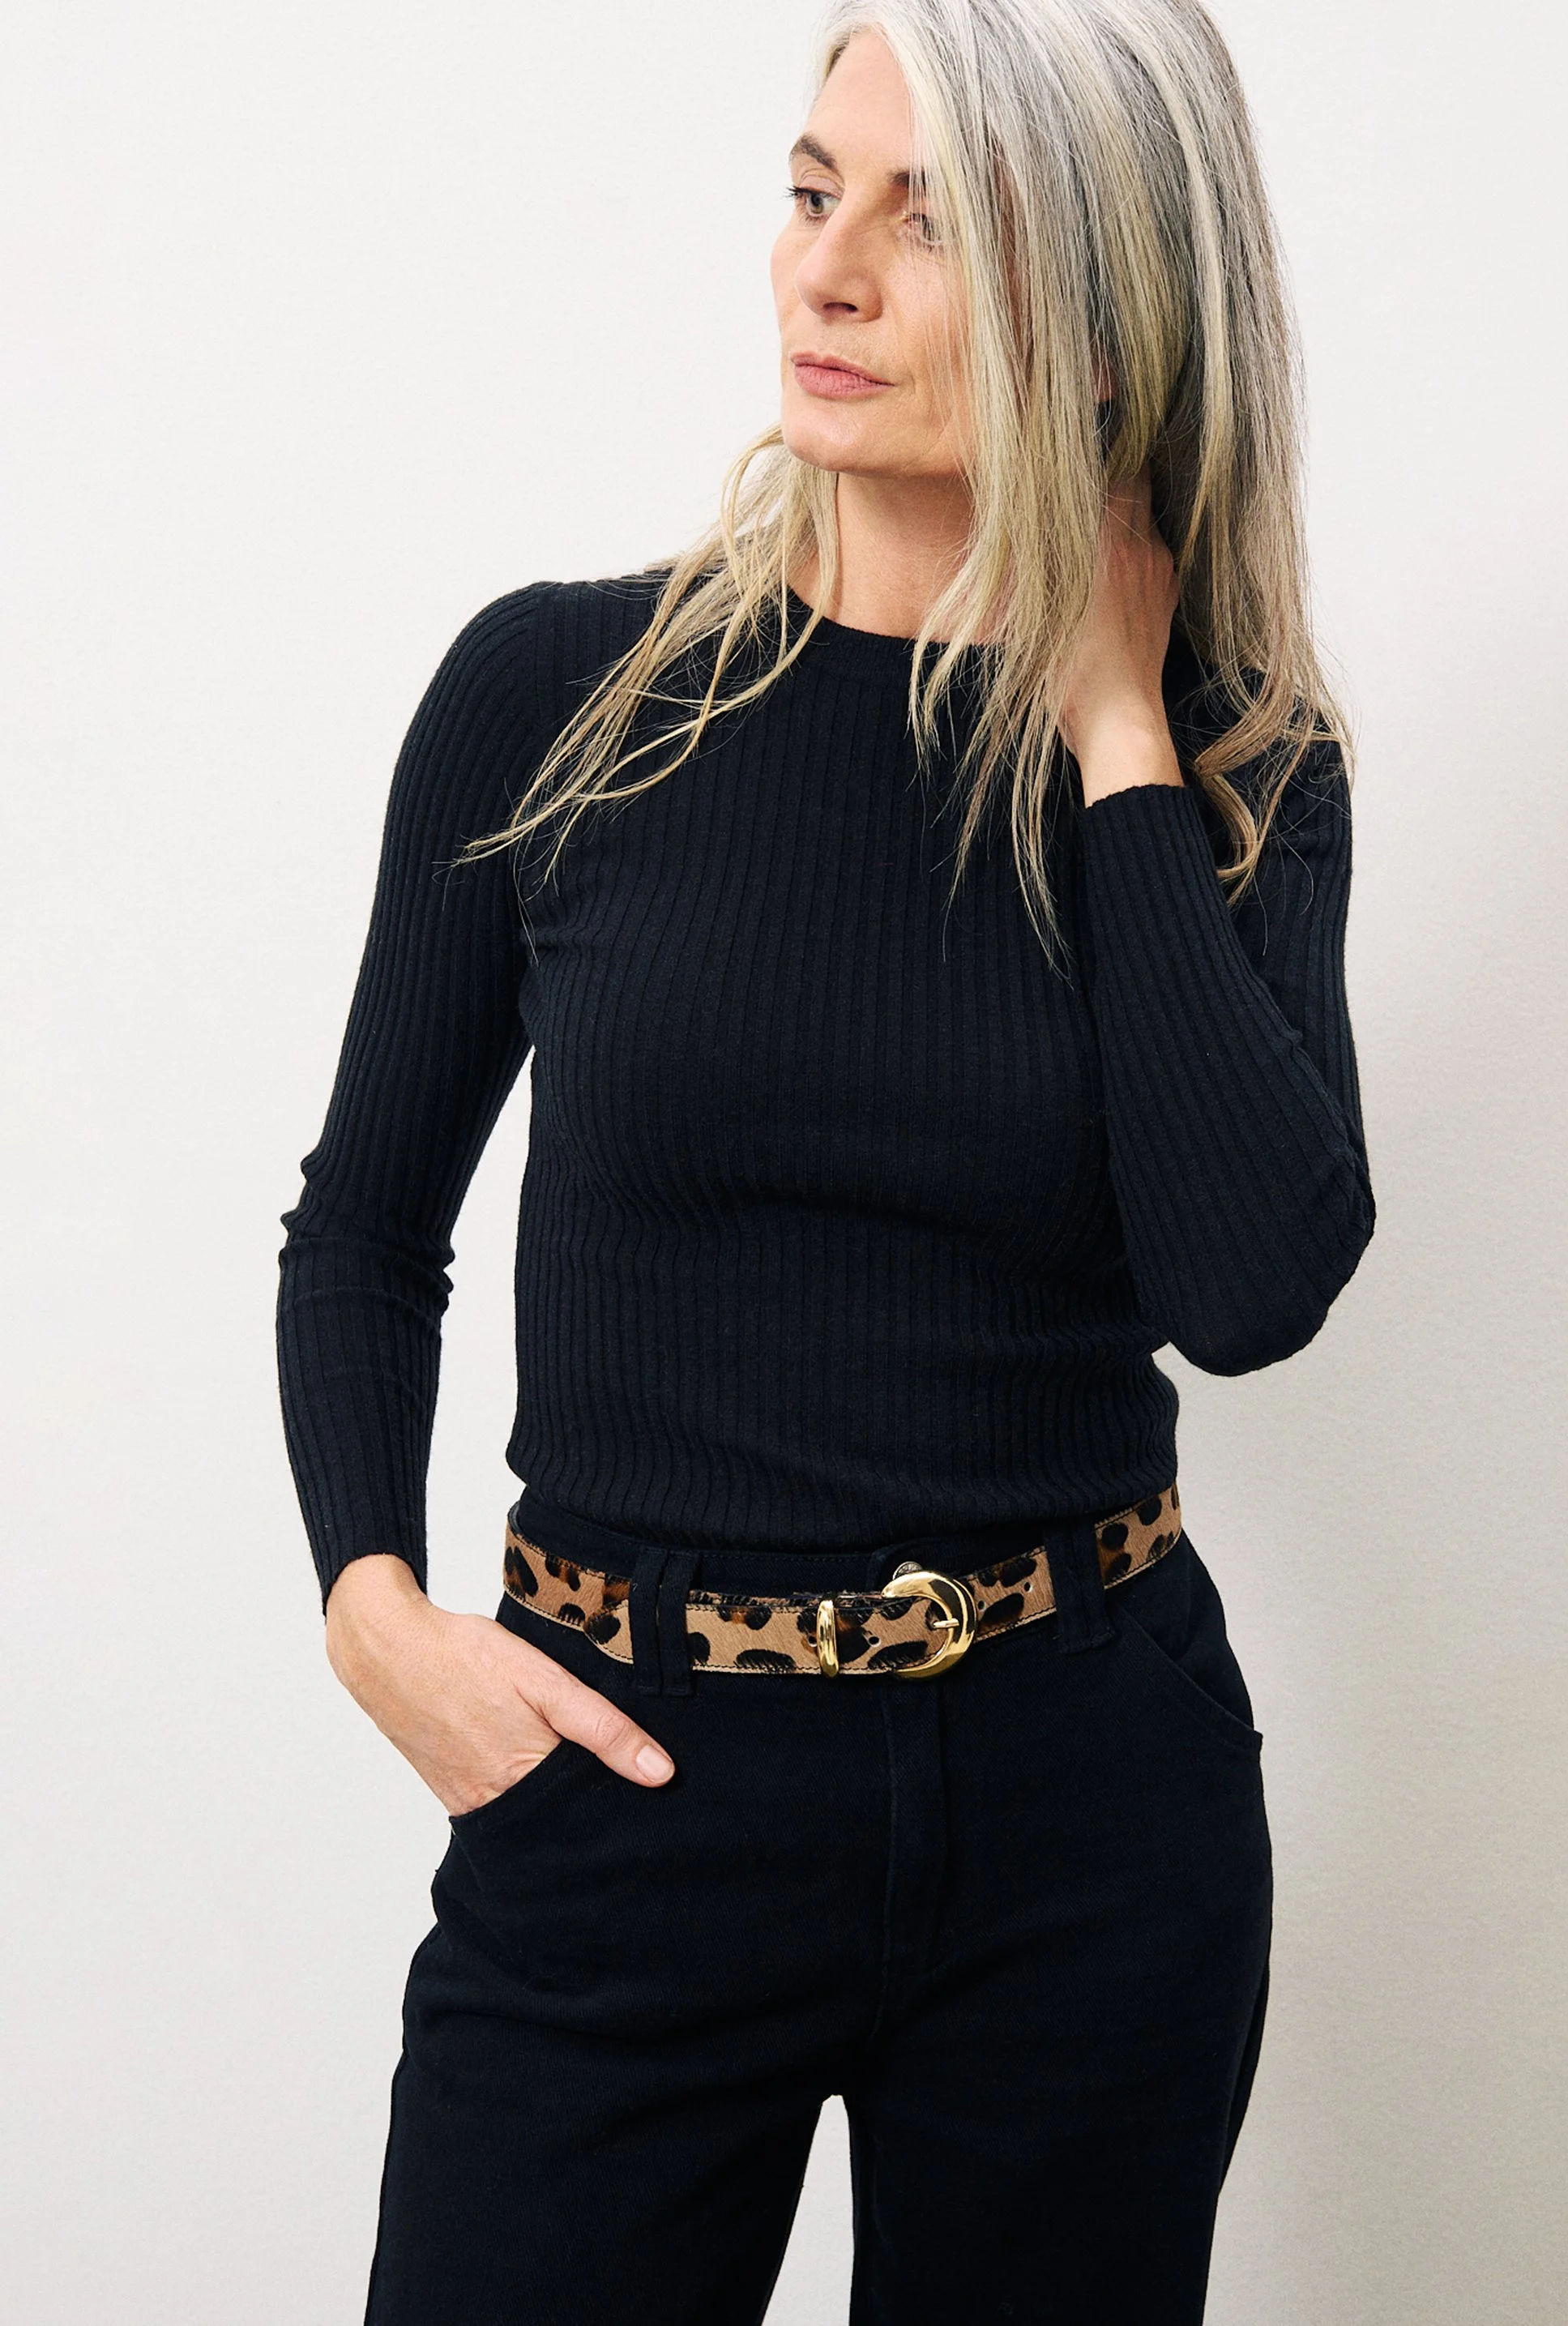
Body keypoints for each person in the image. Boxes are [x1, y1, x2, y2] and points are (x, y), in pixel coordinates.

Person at [276, 2, 1374, 2318]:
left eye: (931, 221)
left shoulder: (1233, 766)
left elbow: (1253, 1284)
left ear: (1111, 311)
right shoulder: (562, 697)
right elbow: (365, 1227)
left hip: (1092, 1814)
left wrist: (1108, 722)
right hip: (629, 1788)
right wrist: (377, 1612)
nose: (828, 272)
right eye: (810, 191)